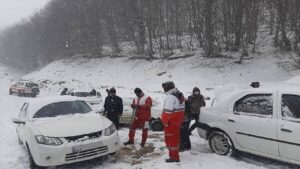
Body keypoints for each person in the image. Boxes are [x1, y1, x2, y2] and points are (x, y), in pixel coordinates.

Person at [161, 81, 185, 163]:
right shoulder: (179, 95)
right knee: (175, 139)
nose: (164, 89)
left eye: (164, 88)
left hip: (170, 123)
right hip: (177, 122)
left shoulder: (170, 97)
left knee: (170, 140)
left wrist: (164, 122)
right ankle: (175, 155)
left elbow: (167, 113)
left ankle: (174, 157)